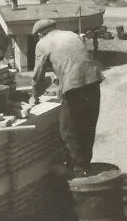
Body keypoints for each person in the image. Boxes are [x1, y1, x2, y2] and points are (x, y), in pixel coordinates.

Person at [29, 16, 103, 177]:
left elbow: (37, 75)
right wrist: (60, 77)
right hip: (93, 83)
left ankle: (78, 172)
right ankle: (84, 167)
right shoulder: (71, 35)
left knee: (68, 130)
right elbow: (76, 60)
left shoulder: (43, 43)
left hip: (74, 88)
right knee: (87, 128)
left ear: (40, 34)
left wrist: (34, 95)